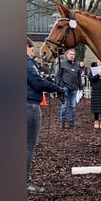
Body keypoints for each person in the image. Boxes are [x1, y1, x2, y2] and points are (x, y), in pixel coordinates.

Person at [27, 37, 65, 192]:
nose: (32, 52)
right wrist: (58, 88)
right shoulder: (27, 63)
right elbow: (38, 83)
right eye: (31, 49)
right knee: (28, 145)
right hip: (29, 105)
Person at [56, 48, 83, 129]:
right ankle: (62, 123)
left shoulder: (77, 64)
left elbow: (79, 76)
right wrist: (61, 85)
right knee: (64, 105)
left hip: (74, 88)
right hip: (65, 87)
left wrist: (80, 87)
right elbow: (58, 75)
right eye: (70, 54)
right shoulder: (62, 63)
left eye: (73, 54)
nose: (72, 56)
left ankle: (72, 123)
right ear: (67, 55)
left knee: (73, 106)